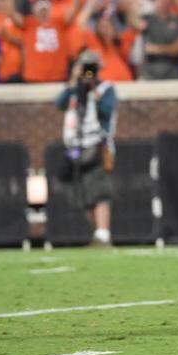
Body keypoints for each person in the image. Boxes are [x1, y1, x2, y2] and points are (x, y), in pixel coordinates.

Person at [54, 52, 117, 246]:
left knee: (99, 192)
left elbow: (106, 111)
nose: (88, 72)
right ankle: (98, 233)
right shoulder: (74, 90)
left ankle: (103, 234)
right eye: (84, 68)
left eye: (91, 68)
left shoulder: (106, 89)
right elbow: (59, 104)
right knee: (80, 193)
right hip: (74, 147)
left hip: (97, 146)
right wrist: (74, 81)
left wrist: (92, 90)